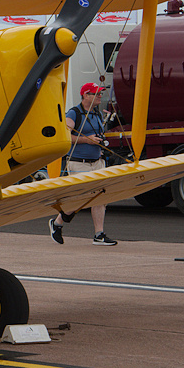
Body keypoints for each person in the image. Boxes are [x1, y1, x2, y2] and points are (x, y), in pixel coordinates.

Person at [50, 83, 117, 246]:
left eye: (100, 94)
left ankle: (99, 234)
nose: (100, 97)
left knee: (100, 197)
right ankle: (57, 223)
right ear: (85, 95)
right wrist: (88, 140)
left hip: (97, 162)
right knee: (80, 199)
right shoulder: (74, 113)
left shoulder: (97, 114)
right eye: (96, 94)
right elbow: (65, 136)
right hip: (79, 163)